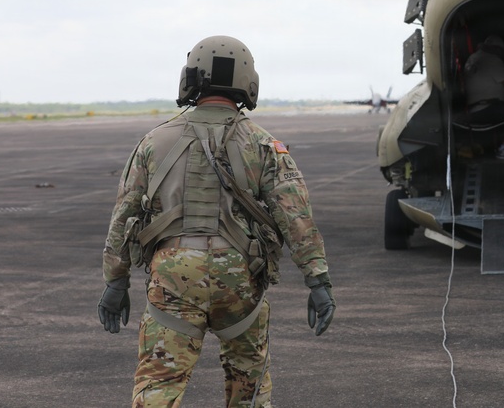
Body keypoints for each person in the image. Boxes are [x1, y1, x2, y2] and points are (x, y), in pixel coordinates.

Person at [98, 35, 335, 407]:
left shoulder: (153, 142)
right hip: (240, 279)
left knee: (159, 384)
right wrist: (317, 280)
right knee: (249, 382)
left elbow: (124, 216)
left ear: (192, 77)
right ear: (247, 81)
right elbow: (296, 218)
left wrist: (116, 281)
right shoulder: (264, 144)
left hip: (173, 279)